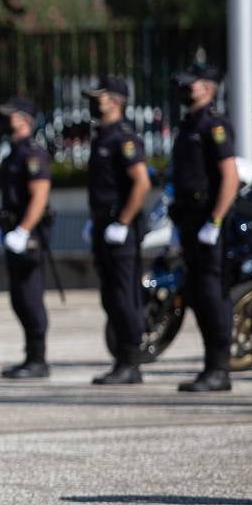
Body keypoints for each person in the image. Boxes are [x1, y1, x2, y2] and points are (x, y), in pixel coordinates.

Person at [168, 64, 239, 392]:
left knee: (212, 294)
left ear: (208, 88)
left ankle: (219, 368)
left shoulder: (215, 124)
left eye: (191, 85)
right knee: (196, 293)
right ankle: (211, 366)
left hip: (207, 220)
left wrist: (216, 220)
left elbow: (229, 177)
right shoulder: (188, 125)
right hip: (189, 220)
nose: (184, 90)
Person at [85, 76, 152, 385]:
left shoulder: (123, 138)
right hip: (105, 224)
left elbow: (141, 182)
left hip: (120, 227)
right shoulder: (103, 135)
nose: (93, 102)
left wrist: (123, 222)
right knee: (111, 296)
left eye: (99, 97)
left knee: (125, 296)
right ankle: (122, 360)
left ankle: (130, 362)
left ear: (114, 100)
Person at [0, 96, 54, 379]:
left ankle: (38, 359)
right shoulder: (14, 152)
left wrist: (23, 230)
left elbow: (39, 196)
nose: (8, 119)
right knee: (19, 297)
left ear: (26, 119)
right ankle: (30, 356)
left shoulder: (32, 153)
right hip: (13, 229)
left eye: (13, 115)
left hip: (28, 235)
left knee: (30, 297)